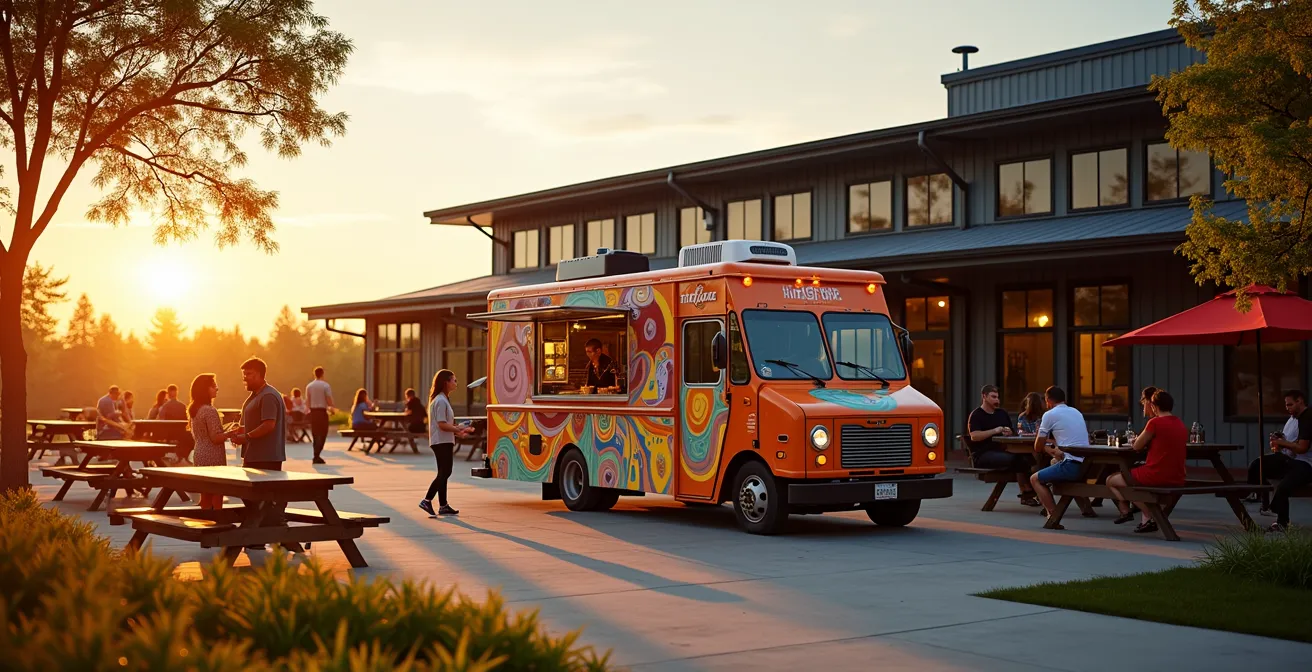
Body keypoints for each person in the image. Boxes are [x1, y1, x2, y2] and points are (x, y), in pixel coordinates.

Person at [1105, 389, 1187, 533]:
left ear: (1154, 406)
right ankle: (1142, 514)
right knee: (1128, 478)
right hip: (1178, 476)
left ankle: (1142, 512)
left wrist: (1137, 440)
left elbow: (1137, 446)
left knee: (1111, 480)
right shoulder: (1180, 423)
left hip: (1156, 474)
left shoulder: (1154, 423)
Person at [229, 357, 289, 550]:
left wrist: (246, 437)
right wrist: (240, 431)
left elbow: (269, 425)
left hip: (267, 455)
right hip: (255, 454)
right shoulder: (256, 395)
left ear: (261, 375)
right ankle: (271, 534)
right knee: (254, 498)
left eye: (249, 374)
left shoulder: (269, 396)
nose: (245, 378)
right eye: (244, 375)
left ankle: (274, 532)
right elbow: (258, 424)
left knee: (258, 498)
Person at [965, 385, 1038, 506]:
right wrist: (995, 430)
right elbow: (974, 436)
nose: (997, 400)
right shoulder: (976, 414)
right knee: (1019, 459)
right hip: (983, 455)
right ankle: (1029, 492)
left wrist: (1009, 432)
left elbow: (1013, 432)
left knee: (1026, 457)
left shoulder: (1002, 413)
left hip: (1004, 451)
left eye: (997, 397)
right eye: (993, 397)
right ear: (984, 396)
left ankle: (1029, 492)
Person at [1029, 386, 1091, 525]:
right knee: (1053, 462)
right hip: (1087, 464)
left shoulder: (1049, 415)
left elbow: (1037, 447)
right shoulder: (1076, 412)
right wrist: (1053, 450)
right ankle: (1086, 509)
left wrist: (1046, 446)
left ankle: (1053, 515)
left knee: (1035, 479)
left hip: (1072, 466)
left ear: (1048, 400)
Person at [1252, 390, 1312, 532]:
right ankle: (1255, 494)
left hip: (1307, 464)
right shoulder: (1293, 419)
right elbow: (1292, 448)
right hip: (1293, 459)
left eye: (1290, 404)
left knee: (1284, 485)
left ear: (1300, 401)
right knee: (1259, 464)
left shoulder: (1308, 417)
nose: (1288, 408)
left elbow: (1302, 448)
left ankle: (1275, 513)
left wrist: (1283, 443)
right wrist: (1279, 444)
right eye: (1286, 405)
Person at [419, 370, 474, 517]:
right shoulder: (440, 401)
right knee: (445, 472)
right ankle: (427, 500)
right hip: (441, 441)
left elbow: (446, 425)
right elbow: (442, 425)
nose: (456, 383)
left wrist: (460, 430)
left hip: (444, 440)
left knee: (443, 473)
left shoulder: (442, 399)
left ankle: (443, 505)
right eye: (454, 380)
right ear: (446, 382)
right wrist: (457, 428)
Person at [187, 373, 242, 509]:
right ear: (204, 389)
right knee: (217, 494)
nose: (216, 388)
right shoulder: (210, 410)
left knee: (205, 496)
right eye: (213, 386)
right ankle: (217, 523)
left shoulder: (195, 409)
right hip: (212, 456)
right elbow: (215, 438)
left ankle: (205, 523)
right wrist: (231, 432)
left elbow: (204, 434)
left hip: (200, 453)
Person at [306, 366, 335, 465]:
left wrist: (308, 411)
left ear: (314, 374)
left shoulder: (309, 386)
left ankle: (316, 455)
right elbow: (328, 399)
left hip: (313, 412)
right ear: (322, 374)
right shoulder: (325, 386)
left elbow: (308, 401)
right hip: (322, 412)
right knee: (323, 433)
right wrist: (332, 408)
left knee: (315, 434)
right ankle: (317, 455)